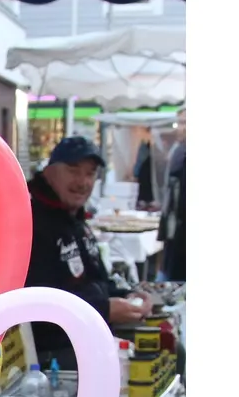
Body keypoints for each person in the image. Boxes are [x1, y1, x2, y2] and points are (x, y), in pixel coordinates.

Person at [24, 136, 151, 367]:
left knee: (165, 343)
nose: (82, 182)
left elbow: (96, 279)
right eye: (73, 171)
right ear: (49, 173)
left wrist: (129, 296)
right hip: (54, 351)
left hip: (90, 334)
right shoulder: (34, 223)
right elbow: (39, 303)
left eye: (90, 173)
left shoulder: (75, 220)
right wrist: (105, 309)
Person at [160, 108, 186, 281]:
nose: (179, 128)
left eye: (185, 123)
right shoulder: (179, 152)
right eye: (179, 123)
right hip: (176, 235)